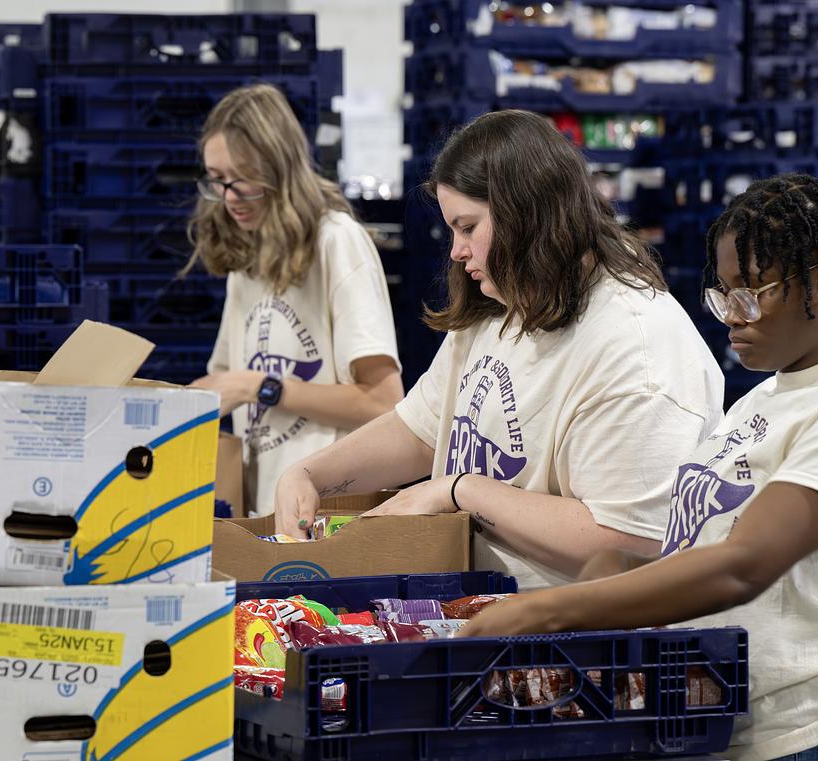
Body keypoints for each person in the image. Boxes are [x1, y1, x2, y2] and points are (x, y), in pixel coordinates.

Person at [463, 173, 818, 761]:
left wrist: (546, 609)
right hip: (719, 728)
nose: (733, 314)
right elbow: (700, 545)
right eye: (723, 293)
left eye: (752, 291)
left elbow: (742, 566)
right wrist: (612, 567)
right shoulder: (761, 398)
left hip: (807, 736)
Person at [273, 110, 723, 589]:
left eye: (468, 228)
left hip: (576, 647)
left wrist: (459, 490)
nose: (456, 251)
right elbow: (425, 429)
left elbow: (627, 543)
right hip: (484, 622)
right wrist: (308, 474)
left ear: (527, 214)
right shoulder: (504, 302)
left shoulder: (638, 349)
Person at [188, 84, 403, 515]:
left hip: (326, 517)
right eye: (217, 180)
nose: (229, 197)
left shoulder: (336, 242)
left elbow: (384, 404)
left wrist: (259, 386)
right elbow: (222, 390)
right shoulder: (248, 257)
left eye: (243, 178)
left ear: (280, 169)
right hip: (264, 516)